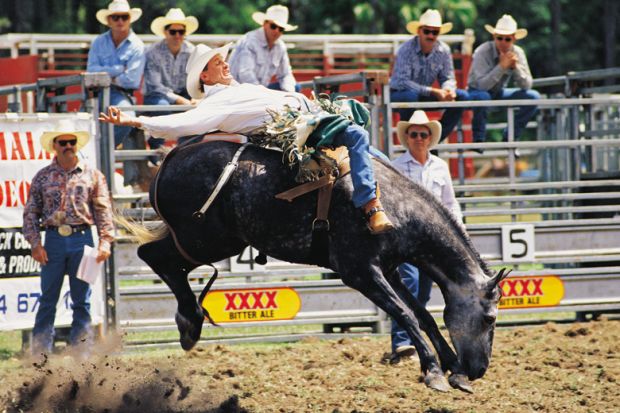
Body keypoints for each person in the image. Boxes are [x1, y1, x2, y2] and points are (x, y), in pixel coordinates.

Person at [100, 43, 394, 234]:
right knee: (356, 134)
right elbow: (182, 123)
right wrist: (134, 119)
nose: (225, 64)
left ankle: (392, 196)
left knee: (367, 148)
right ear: (206, 76)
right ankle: (370, 206)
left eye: (223, 60)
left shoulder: (238, 89)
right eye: (218, 62)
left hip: (311, 118)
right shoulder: (217, 102)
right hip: (301, 130)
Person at [23, 119, 114, 357]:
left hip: (83, 239)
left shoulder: (93, 175)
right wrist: (35, 244)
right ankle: (40, 355)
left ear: (76, 144)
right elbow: (31, 211)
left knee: (82, 300)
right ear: (54, 145)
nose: (68, 146)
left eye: (71, 142)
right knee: (48, 299)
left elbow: (103, 209)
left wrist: (105, 241)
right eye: (63, 142)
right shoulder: (42, 176)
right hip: (53, 239)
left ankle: (81, 355)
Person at [390, 110, 463, 362]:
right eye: (414, 134)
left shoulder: (440, 167)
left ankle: (411, 340)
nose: (419, 138)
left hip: (432, 242)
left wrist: (459, 232)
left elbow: (450, 203)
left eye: (423, 134)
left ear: (430, 138)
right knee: (408, 284)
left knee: (422, 292)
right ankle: (401, 342)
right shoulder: (396, 167)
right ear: (407, 138)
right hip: (405, 239)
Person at [87, 0, 145, 186]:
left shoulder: (137, 45)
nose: (120, 21)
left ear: (130, 20)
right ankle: (96, 154)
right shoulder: (99, 42)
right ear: (109, 20)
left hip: (121, 94)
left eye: (124, 17)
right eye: (116, 17)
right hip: (95, 93)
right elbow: (91, 71)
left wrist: (106, 74)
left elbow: (132, 80)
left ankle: (100, 153)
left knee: (126, 114)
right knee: (82, 121)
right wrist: (119, 69)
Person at [389, 9, 469, 142]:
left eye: (435, 32)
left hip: (425, 95)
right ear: (419, 31)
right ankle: (411, 141)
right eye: (427, 31)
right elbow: (402, 82)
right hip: (399, 94)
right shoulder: (405, 49)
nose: (431, 35)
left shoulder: (444, 50)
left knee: (463, 97)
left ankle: (432, 140)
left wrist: (448, 90)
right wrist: (434, 91)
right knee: (410, 96)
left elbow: (448, 77)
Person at [467, 14, 540, 146]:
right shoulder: (482, 51)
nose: (503, 42)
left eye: (507, 39)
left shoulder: (518, 52)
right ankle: (479, 139)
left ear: (514, 39)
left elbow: (527, 85)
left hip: (499, 92)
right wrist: (501, 67)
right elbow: (481, 86)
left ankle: (511, 135)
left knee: (533, 96)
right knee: (482, 97)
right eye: (499, 38)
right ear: (494, 37)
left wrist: (515, 67)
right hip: (476, 93)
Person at [144, 8, 198, 160]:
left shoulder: (192, 51)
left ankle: (185, 153)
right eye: (173, 32)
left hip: (184, 93)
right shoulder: (153, 52)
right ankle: (156, 152)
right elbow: (155, 86)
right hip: (158, 95)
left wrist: (196, 97)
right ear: (165, 32)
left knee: (196, 112)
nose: (177, 36)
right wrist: (181, 100)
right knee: (161, 107)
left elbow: (196, 78)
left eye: (181, 32)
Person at [228, 4, 299, 92]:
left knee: (295, 87)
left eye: (281, 29)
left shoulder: (280, 47)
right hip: (237, 90)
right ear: (265, 24)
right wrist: (263, 95)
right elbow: (245, 75)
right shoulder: (250, 41)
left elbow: (285, 74)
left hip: (259, 89)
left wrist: (290, 92)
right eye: (273, 26)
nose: (276, 31)